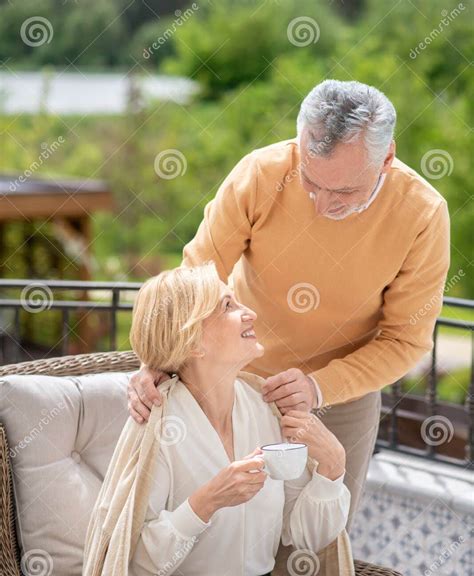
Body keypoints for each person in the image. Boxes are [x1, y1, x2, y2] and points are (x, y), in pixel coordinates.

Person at [127, 79, 450, 528]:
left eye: (344, 193)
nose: (321, 205)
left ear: (387, 159)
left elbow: (406, 340)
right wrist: (155, 360)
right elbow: (195, 277)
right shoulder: (260, 174)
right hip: (232, 380)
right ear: (300, 148)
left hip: (341, 395)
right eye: (312, 183)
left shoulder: (423, 214)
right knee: (222, 528)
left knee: (319, 536)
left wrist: (319, 387)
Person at [125, 261, 351, 576]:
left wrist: (332, 468)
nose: (249, 312)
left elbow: (305, 536)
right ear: (192, 340)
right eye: (228, 306)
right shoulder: (156, 422)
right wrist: (206, 501)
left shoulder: (266, 410)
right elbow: (138, 564)